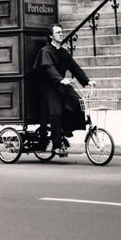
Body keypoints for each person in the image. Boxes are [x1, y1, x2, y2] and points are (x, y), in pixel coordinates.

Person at [33, 23, 96, 156]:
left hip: (62, 86)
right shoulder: (45, 51)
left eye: (61, 32)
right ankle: (56, 146)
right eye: (57, 32)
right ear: (51, 36)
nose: (61, 34)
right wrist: (60, 79)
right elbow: (48, 68)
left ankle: (65, 129)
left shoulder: (63, 52)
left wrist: (87, 81)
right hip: (49, 88)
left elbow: (75, 68)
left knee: (80, 104)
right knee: (56, 113)